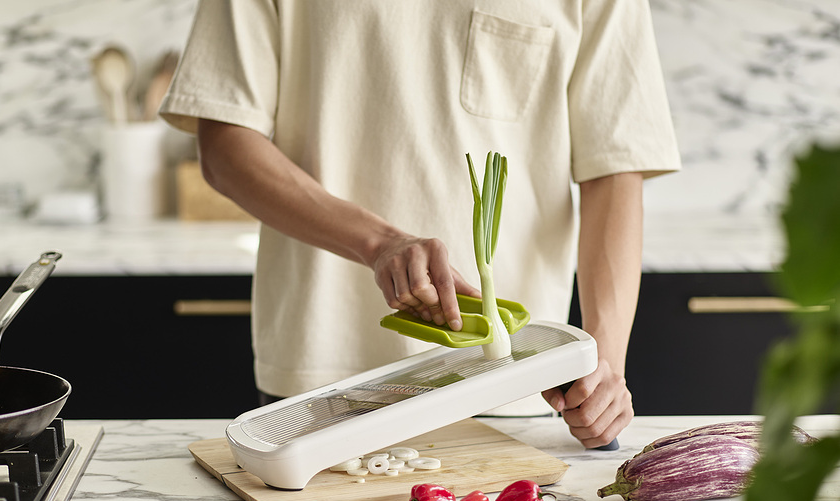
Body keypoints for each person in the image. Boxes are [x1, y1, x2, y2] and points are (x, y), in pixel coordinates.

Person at [160, 1, 680, 448]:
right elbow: (225, 142)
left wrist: (602, 364)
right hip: (320, 372)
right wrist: (378, 243)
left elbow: (615, 166)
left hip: (511, 383)